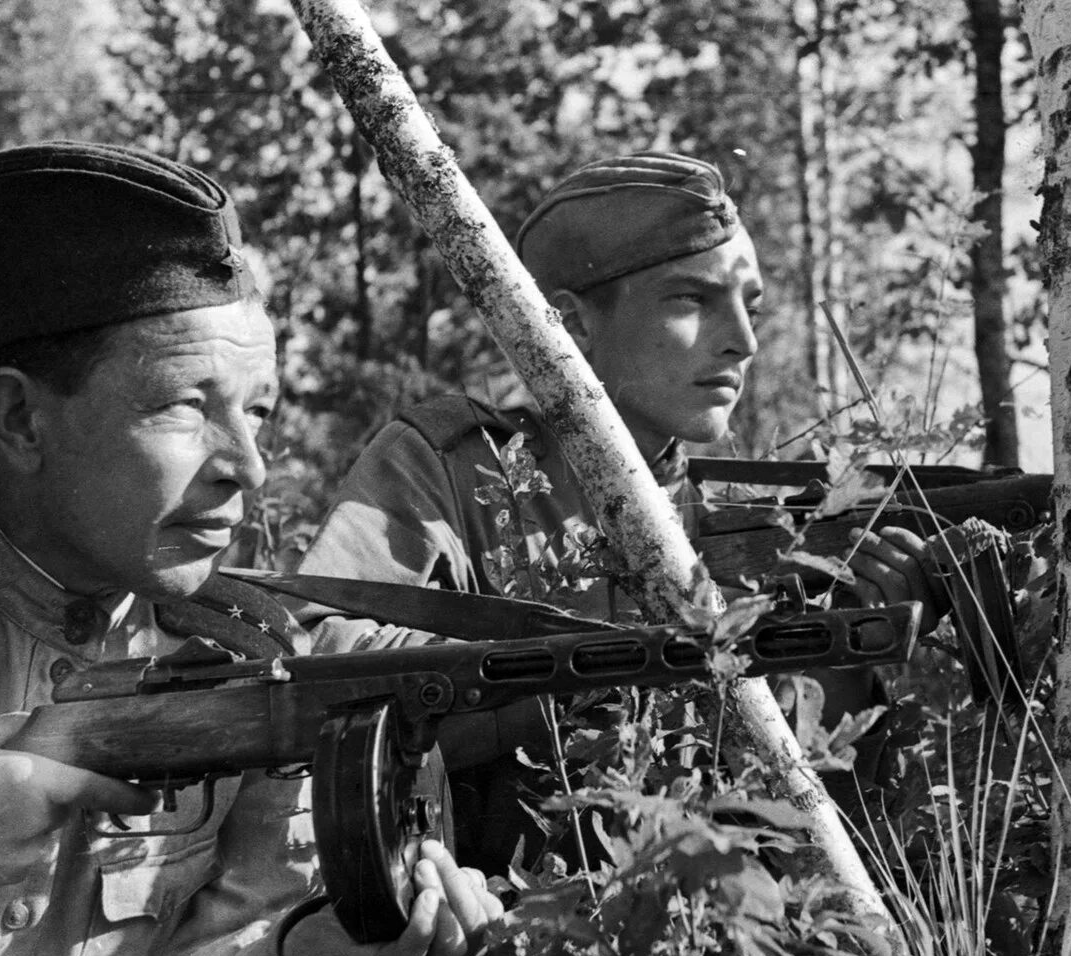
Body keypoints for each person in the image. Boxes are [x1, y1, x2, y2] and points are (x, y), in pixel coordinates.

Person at [0, 141, 500, 956]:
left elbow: (211, 953)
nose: (249, 465)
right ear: (20, 420)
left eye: (257, 411)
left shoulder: (247, 661)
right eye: (189, 405)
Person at [297, 151, 950, 874]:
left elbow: (786, 816)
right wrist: (613, 671)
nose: (743, 339)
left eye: (750, 306)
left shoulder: (748, 520)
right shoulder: (459, 467)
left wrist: (846, 659)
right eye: (691, 300)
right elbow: (323, 661)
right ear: (571, 326)